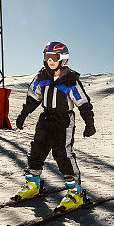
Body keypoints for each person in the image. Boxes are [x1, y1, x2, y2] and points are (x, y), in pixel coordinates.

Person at [13, 41, 96, 210]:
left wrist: (89, 123)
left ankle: (75, 193)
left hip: (64, 121)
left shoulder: (71, 80)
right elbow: (32, 98)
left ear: (63, 59)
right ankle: (33, 185)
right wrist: (23, 115)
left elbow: (83, 103)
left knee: (62, 154)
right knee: (37, 150)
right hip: (45, 119)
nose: (50, 61)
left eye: (54, 57)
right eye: (47, 57)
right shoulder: (41, 77)